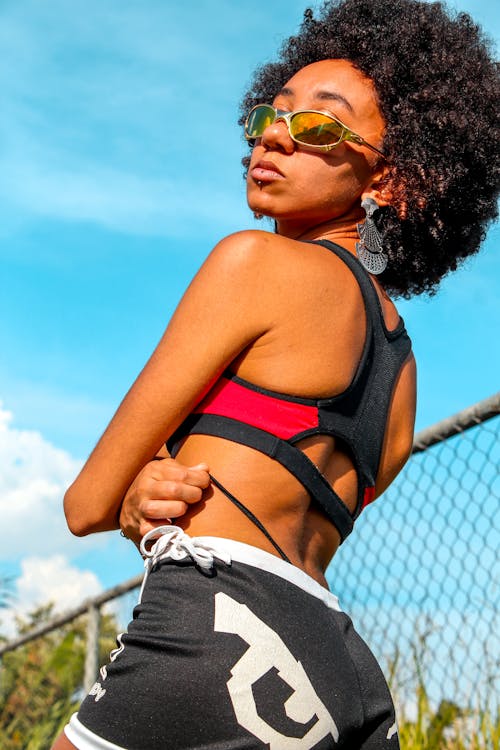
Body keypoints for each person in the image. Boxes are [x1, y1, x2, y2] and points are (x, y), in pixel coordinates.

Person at [52, 0, 499, 748]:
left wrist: (135, 489)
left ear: (391, 179)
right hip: (342, 677)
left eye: (321, 124)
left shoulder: (254, 263)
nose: (276, 136)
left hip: (217, 635)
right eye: (270, 113)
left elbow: (86, 504)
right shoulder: (404, 370)